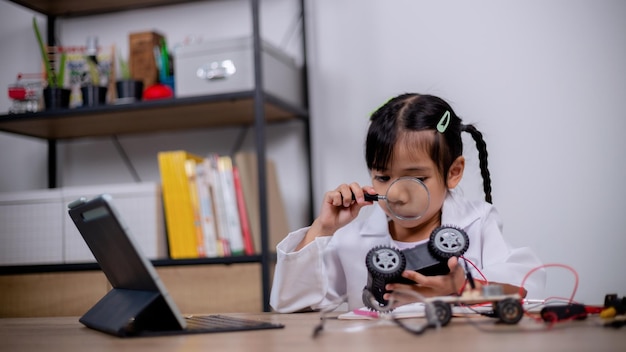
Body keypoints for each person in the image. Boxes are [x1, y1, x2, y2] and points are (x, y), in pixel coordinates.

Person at [270, 93, 545, 313]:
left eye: (416, 178)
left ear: (453, 172)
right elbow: (290, 303)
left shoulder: (477, 223)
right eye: (382, 176)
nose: (397, 194)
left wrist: (463, 288)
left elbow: (524, 290)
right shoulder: (353, 239)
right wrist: (323, 228)